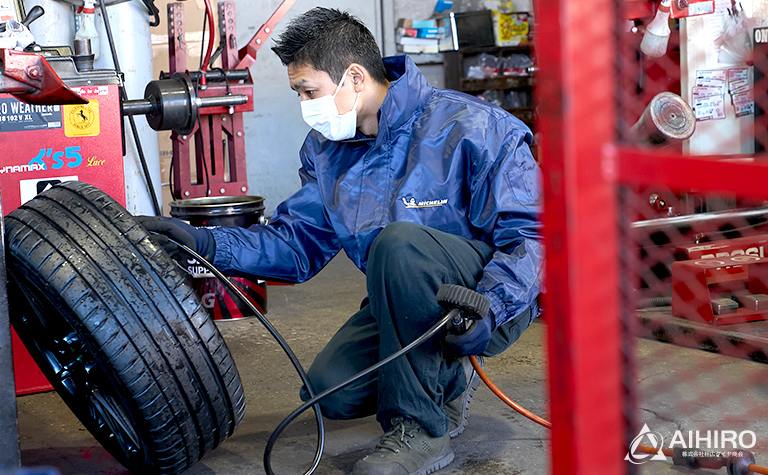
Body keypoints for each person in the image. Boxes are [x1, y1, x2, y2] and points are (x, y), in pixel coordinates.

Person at [138, 7, 542, 475]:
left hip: (483, 299)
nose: (305, 105)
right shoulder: (327, 153)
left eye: (309, 91)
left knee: (399, 243)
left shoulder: (474, 127)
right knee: (330, 389)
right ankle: (452, 373)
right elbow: (296, 246)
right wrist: (205, 244)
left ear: (354, 77)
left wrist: (491, 304)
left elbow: (532, 236)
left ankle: (422, 430)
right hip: (406, 300)